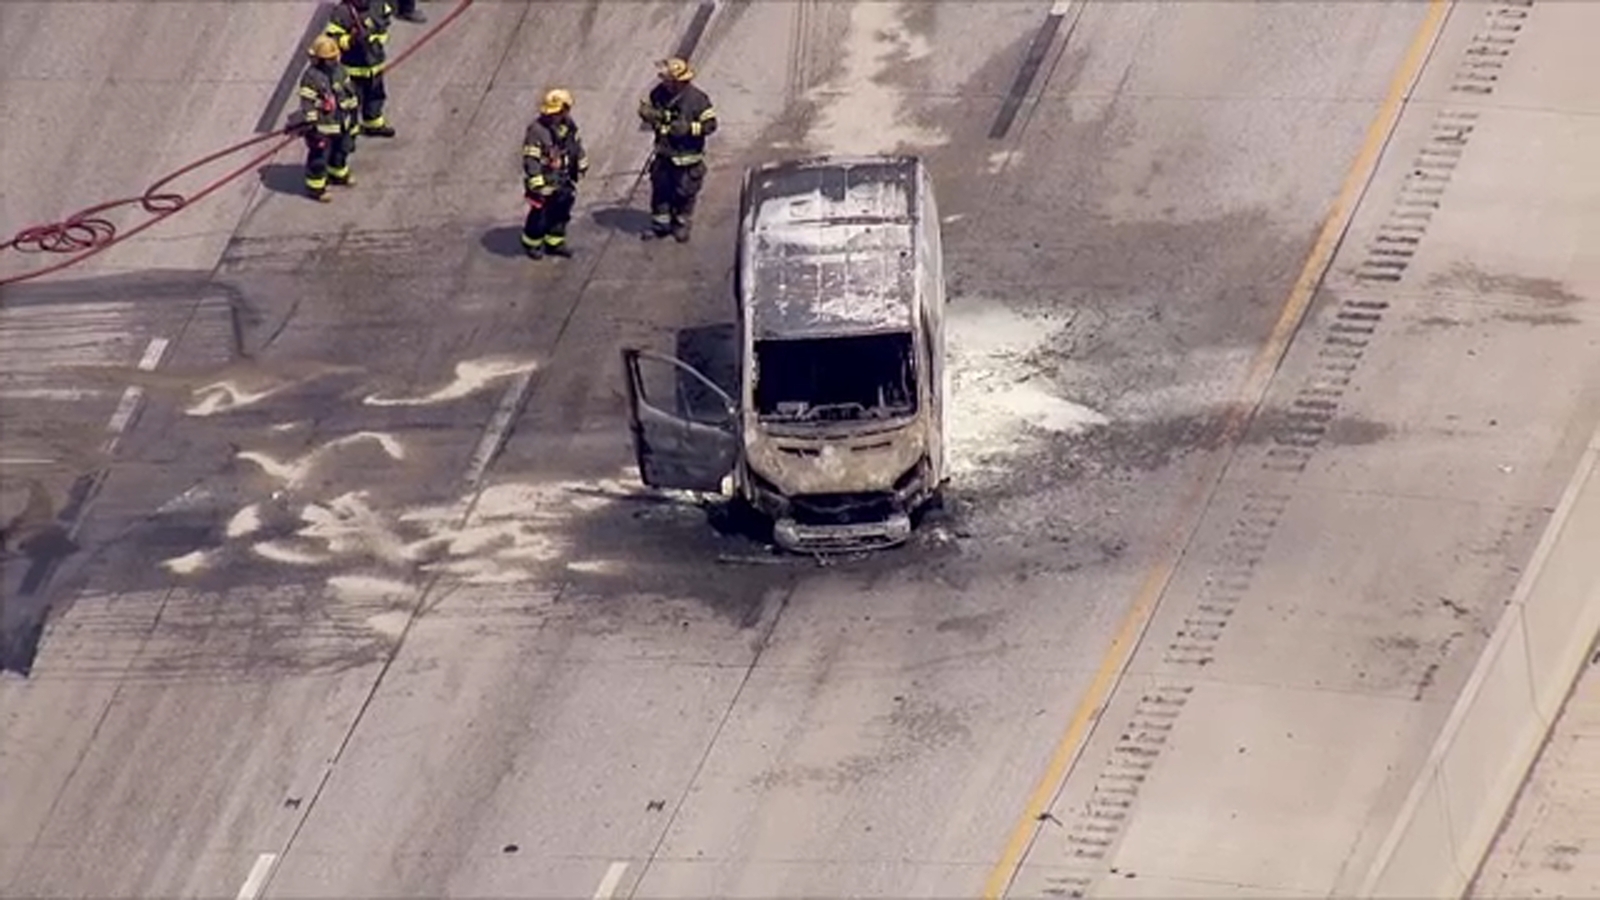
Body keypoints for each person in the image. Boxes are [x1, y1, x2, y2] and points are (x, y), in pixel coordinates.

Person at [636, 57, 717, 243]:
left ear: (679, 81)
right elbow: (646, 109)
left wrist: (689, 129)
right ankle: (660, 225)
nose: (663, 83)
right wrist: (651, 114)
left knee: (685, 194)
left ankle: (681, 224)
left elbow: (711, 125)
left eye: (667, 80)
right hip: (664, 156)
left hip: (688, 159)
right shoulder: (658, 93)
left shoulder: (698, 99)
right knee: (661, 191)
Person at [520, 89, 588, 259]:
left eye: (557, 112)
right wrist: (537, 183)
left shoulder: (568, 125)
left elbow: (575, 146)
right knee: (539, 214)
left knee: (561, 210)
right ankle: (532, 243)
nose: (553, 116)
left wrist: (581, 162)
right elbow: (531, 157)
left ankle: (555, 241)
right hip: (544, 180)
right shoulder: (536, 130)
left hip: (562, 178)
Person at [295, 36, 361, 202]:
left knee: (342, 150)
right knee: (319, 158)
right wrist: (312, 124)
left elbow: (350, 93)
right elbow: (307, 102)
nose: (333, 61)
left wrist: (353, 116)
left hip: (341, 123)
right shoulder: (311, 77)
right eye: (328, 59)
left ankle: (338, 174)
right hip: (322, 127)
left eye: (334, 58)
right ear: (318, 59)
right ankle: (316, 188)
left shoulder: (341, 71)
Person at [325, 0, 397, 137]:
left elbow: (384, 28)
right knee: (350, 100)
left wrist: (373, 39)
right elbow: (333, 38)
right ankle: (349, 130)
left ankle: (374, 124)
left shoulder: (379, 6)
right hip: (352, 68)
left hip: (374, 65)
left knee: (375, 95)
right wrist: (350, 40)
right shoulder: (342, 12)